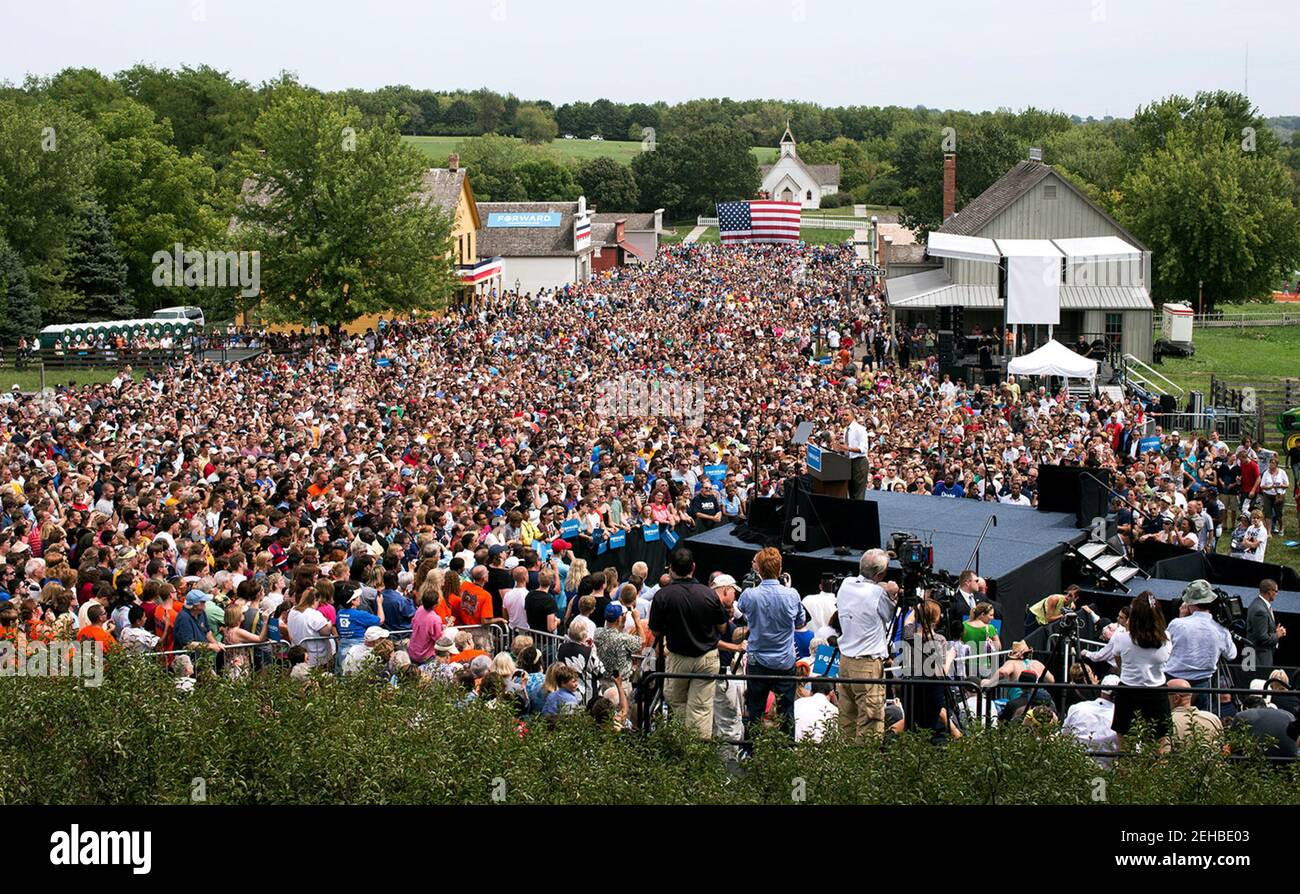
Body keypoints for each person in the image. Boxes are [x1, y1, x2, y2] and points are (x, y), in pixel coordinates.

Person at [647, 547, 727, 739]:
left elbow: (656, 631)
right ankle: (696, 749)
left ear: (671, 569)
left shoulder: (663, 596)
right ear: (693, 567)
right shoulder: (709, 594)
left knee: (677, 702)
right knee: (700, 707)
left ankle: (683, 745)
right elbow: (723, 627)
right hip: (706, 658)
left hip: (679, 658)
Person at [1082, 592, 1172, 744]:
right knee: (1161, 743)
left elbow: (1119, 663)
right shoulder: (1166, 637)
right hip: (1156, 693)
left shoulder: (1121, 637)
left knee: (1125, 747)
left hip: (1129, 692)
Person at [736, 548, 803, 740]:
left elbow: (741, 610)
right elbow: (800, 622)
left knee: (755, 709)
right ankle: (785, 751)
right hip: (784, 662)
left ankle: (751, 750)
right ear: (780, 568)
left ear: (759, 570)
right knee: (786, 710)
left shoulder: (749, 594)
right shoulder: (792, 595)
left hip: (758, 662)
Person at [834, 548, 899, 742]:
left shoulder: (846, 584)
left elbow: (867, 587)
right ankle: (865, 766)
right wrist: (892, 595)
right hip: (867, 665)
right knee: (870, 720)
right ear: (880, 575)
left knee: (847, 718)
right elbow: (889, 615)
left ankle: (846, 764)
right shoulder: (879, 594)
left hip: (845, 662)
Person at [1164, 579, 1237, 711]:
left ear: (1189, 603)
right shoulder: (1220, 629)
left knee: (1170, 722)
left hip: (1174, 682)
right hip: (1203, 684)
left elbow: (1164, 648)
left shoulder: (1177, 624)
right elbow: (1232, 655)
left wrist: (1181, 618)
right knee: (1201, 725)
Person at [1061, 675, 1120, 768]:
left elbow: (1064, 736)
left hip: (1075, 768)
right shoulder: (1121, 717)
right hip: (1108, 772)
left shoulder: (1077, 708)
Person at [1167, 677, 1224, 748]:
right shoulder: (1213, 718)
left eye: (1165, 694)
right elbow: (1223, 748)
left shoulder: (1168, 722)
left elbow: (1164, 754)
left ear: (1176, 698)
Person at [1245, 578, 1284, 670]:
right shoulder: (1260, 610)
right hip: (1259, 658)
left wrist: (1274, 630)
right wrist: (1277, 635)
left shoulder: (1258, 603)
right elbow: (1263, 639)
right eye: (1276, 591)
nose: (1277, 594)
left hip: (1257, 656)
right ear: (1269, 592)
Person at [832, 407, 869, 499]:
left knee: (858, 493)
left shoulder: (860, 429)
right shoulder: (845, 430)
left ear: (853, 416)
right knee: (851, 491)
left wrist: (848, 448)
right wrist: (840, 448)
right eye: (843, 415)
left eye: (846, 415)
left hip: (859, 463)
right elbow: (846, 448)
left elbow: (863, 448)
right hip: (848, 462)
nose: (844, 417)